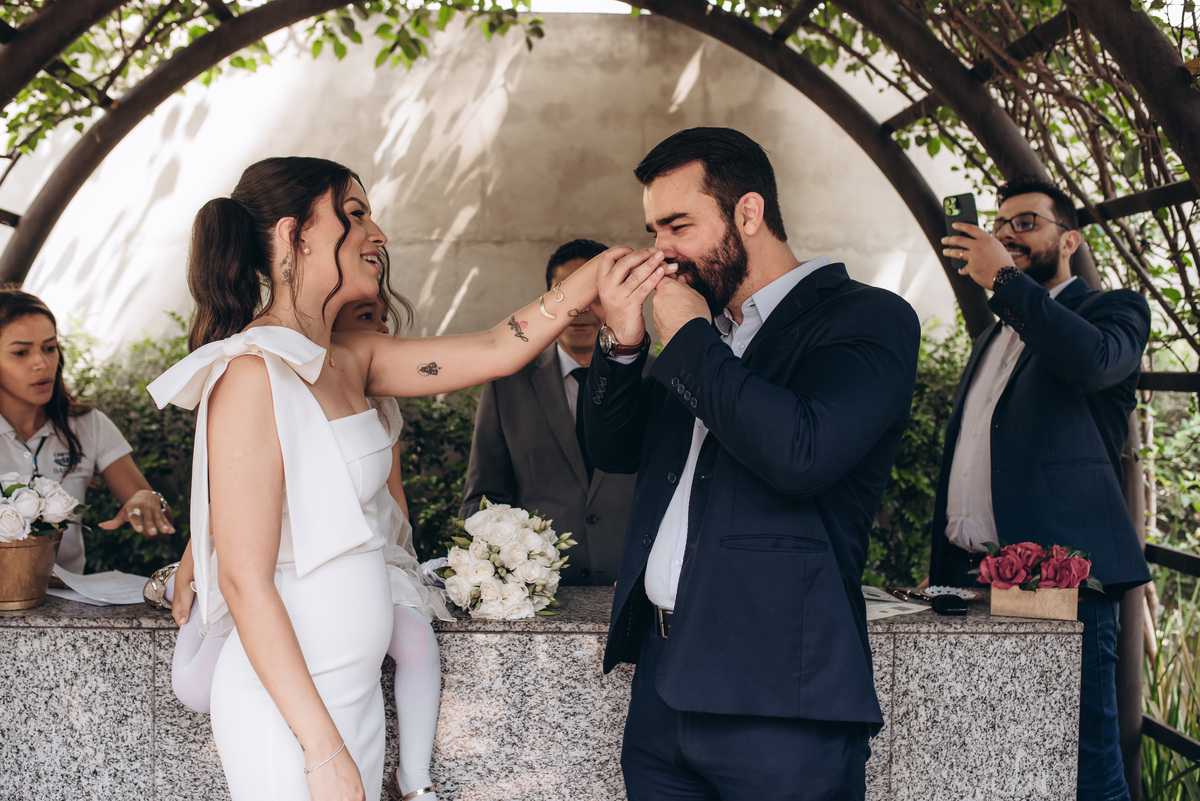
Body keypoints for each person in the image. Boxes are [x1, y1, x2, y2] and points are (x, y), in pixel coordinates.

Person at [146, 156, 661, 801]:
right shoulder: (251, 374)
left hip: (354, 696)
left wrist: (598, 275)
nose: (378, 234)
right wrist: (322, 749)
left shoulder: (353, 358)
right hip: (289, 717)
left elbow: (497, 348)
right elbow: (244, 582)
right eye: (355, 214)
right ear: (293, 235)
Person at [582, 127, 921, 800]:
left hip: (781, 704)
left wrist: (688, 338)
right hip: (661, 690)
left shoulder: (870, 318)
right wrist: (623, 342)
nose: (661, 251)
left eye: (679, 225)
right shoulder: (706, 333)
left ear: (748, 212)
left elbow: (801, 453)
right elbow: (613, 450)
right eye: (654, 230)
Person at [159, 293, 451, 801]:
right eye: (366, 319)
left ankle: (416, 780)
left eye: (383, 320)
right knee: (194, 687)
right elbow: (230, 502)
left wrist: (397, 563)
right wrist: (193, 565)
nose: (380, 330)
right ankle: (183, 594)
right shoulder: (269, 384)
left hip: (367, 573)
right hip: (281, 572)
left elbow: (393, 499)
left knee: (416, 643)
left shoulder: (380, 404)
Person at [936, 175, 1150, 801]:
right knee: (999, 767)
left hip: (1063, 587)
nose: (1008, 234)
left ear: (1070, 240)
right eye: (1001, 224)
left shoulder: (1114, 311)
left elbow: (1093, 363)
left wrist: (1004, 280)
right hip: (975, 581)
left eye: (1026, 223)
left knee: (1088, 772)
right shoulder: (991, 337)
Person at [460, 239, 643, 585]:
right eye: (568, 295)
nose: (581, 309)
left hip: (638, 588)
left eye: (594, 295)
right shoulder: (506, 384)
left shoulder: (657, 378)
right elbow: (483, 501)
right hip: (543, 592)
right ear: (547, 301)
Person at [0, 286, 175, 573]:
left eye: (49, 348)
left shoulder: (88, 424)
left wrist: (150, 502)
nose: (42, 363)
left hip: (67, 597)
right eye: (21, 352)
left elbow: (160, 518)